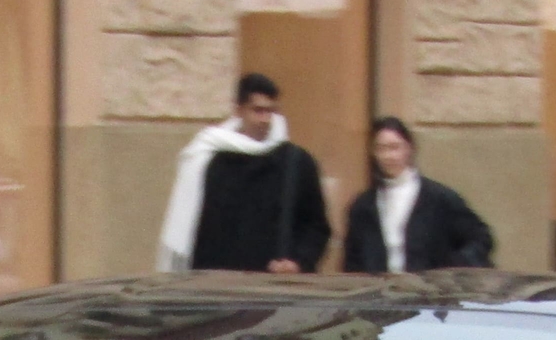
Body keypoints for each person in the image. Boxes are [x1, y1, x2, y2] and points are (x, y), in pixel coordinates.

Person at [158, 73, 331, 275]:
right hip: (218, 288)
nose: (265, 119)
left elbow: (316, 227)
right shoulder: (209, 159)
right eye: (258, 111)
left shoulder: (297, 163)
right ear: (239, 110)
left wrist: (298, 261)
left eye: (270, 111)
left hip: (278, 292)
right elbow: (192, 227)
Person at [341, 118, 495, 273]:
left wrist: (452, 268)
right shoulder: (363, 207)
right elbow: (352, 262)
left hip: (429, 292)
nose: (388, 156)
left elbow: (481, 238)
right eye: (381, 148)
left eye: (394, 147)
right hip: (381, 294)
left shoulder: (439, 198)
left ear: (409, 148)